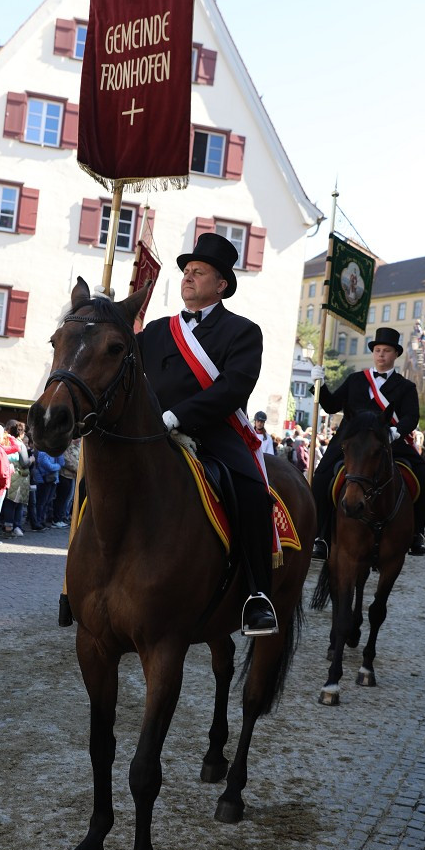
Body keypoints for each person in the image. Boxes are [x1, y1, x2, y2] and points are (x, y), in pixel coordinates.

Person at [137, 231, 277, 636]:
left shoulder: (243, 332)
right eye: (186, 271)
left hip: (216, 434)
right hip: (152, 434)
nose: (188, 277)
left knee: (252, 494)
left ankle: (256, 596)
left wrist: (176, 416)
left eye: (199, 272)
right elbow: (124, 368)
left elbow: (232, 388)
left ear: (221, 285)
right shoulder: (158, 331)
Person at [309, 327, 425, 559]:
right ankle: (321, 536)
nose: (381, 355)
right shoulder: (356, 379)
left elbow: (411, 417)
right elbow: (331, 406)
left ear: (395, 354)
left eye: (386, 351)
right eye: (377, 350)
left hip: (388, 441)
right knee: (321, 477)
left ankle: (418, 533)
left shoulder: (406, 386)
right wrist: (320, 385)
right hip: (351, 443)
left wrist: (397, 431)